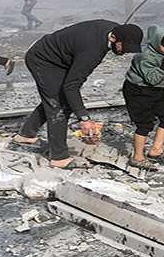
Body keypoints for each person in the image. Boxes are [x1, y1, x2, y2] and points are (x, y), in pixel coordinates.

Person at [14, 20, 143, 168]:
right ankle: (59, 158)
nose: (126, 51)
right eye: (124, 47)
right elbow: (71, 86)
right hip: (43, 59)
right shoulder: (92, 51)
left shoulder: (117, 28)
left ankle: (25, 135)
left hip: (61, 59)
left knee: (54, 98)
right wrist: (84, 118)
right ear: (113, 37)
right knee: (59, 106)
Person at [123, 25, 164, 172]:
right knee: (144, 123)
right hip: (138, 91)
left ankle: (156, 149)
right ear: (156, 42)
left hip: (155, 90)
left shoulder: (160, 54)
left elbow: (161, 71)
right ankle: (137, 157)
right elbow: (153, 78)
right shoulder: (144, 57)